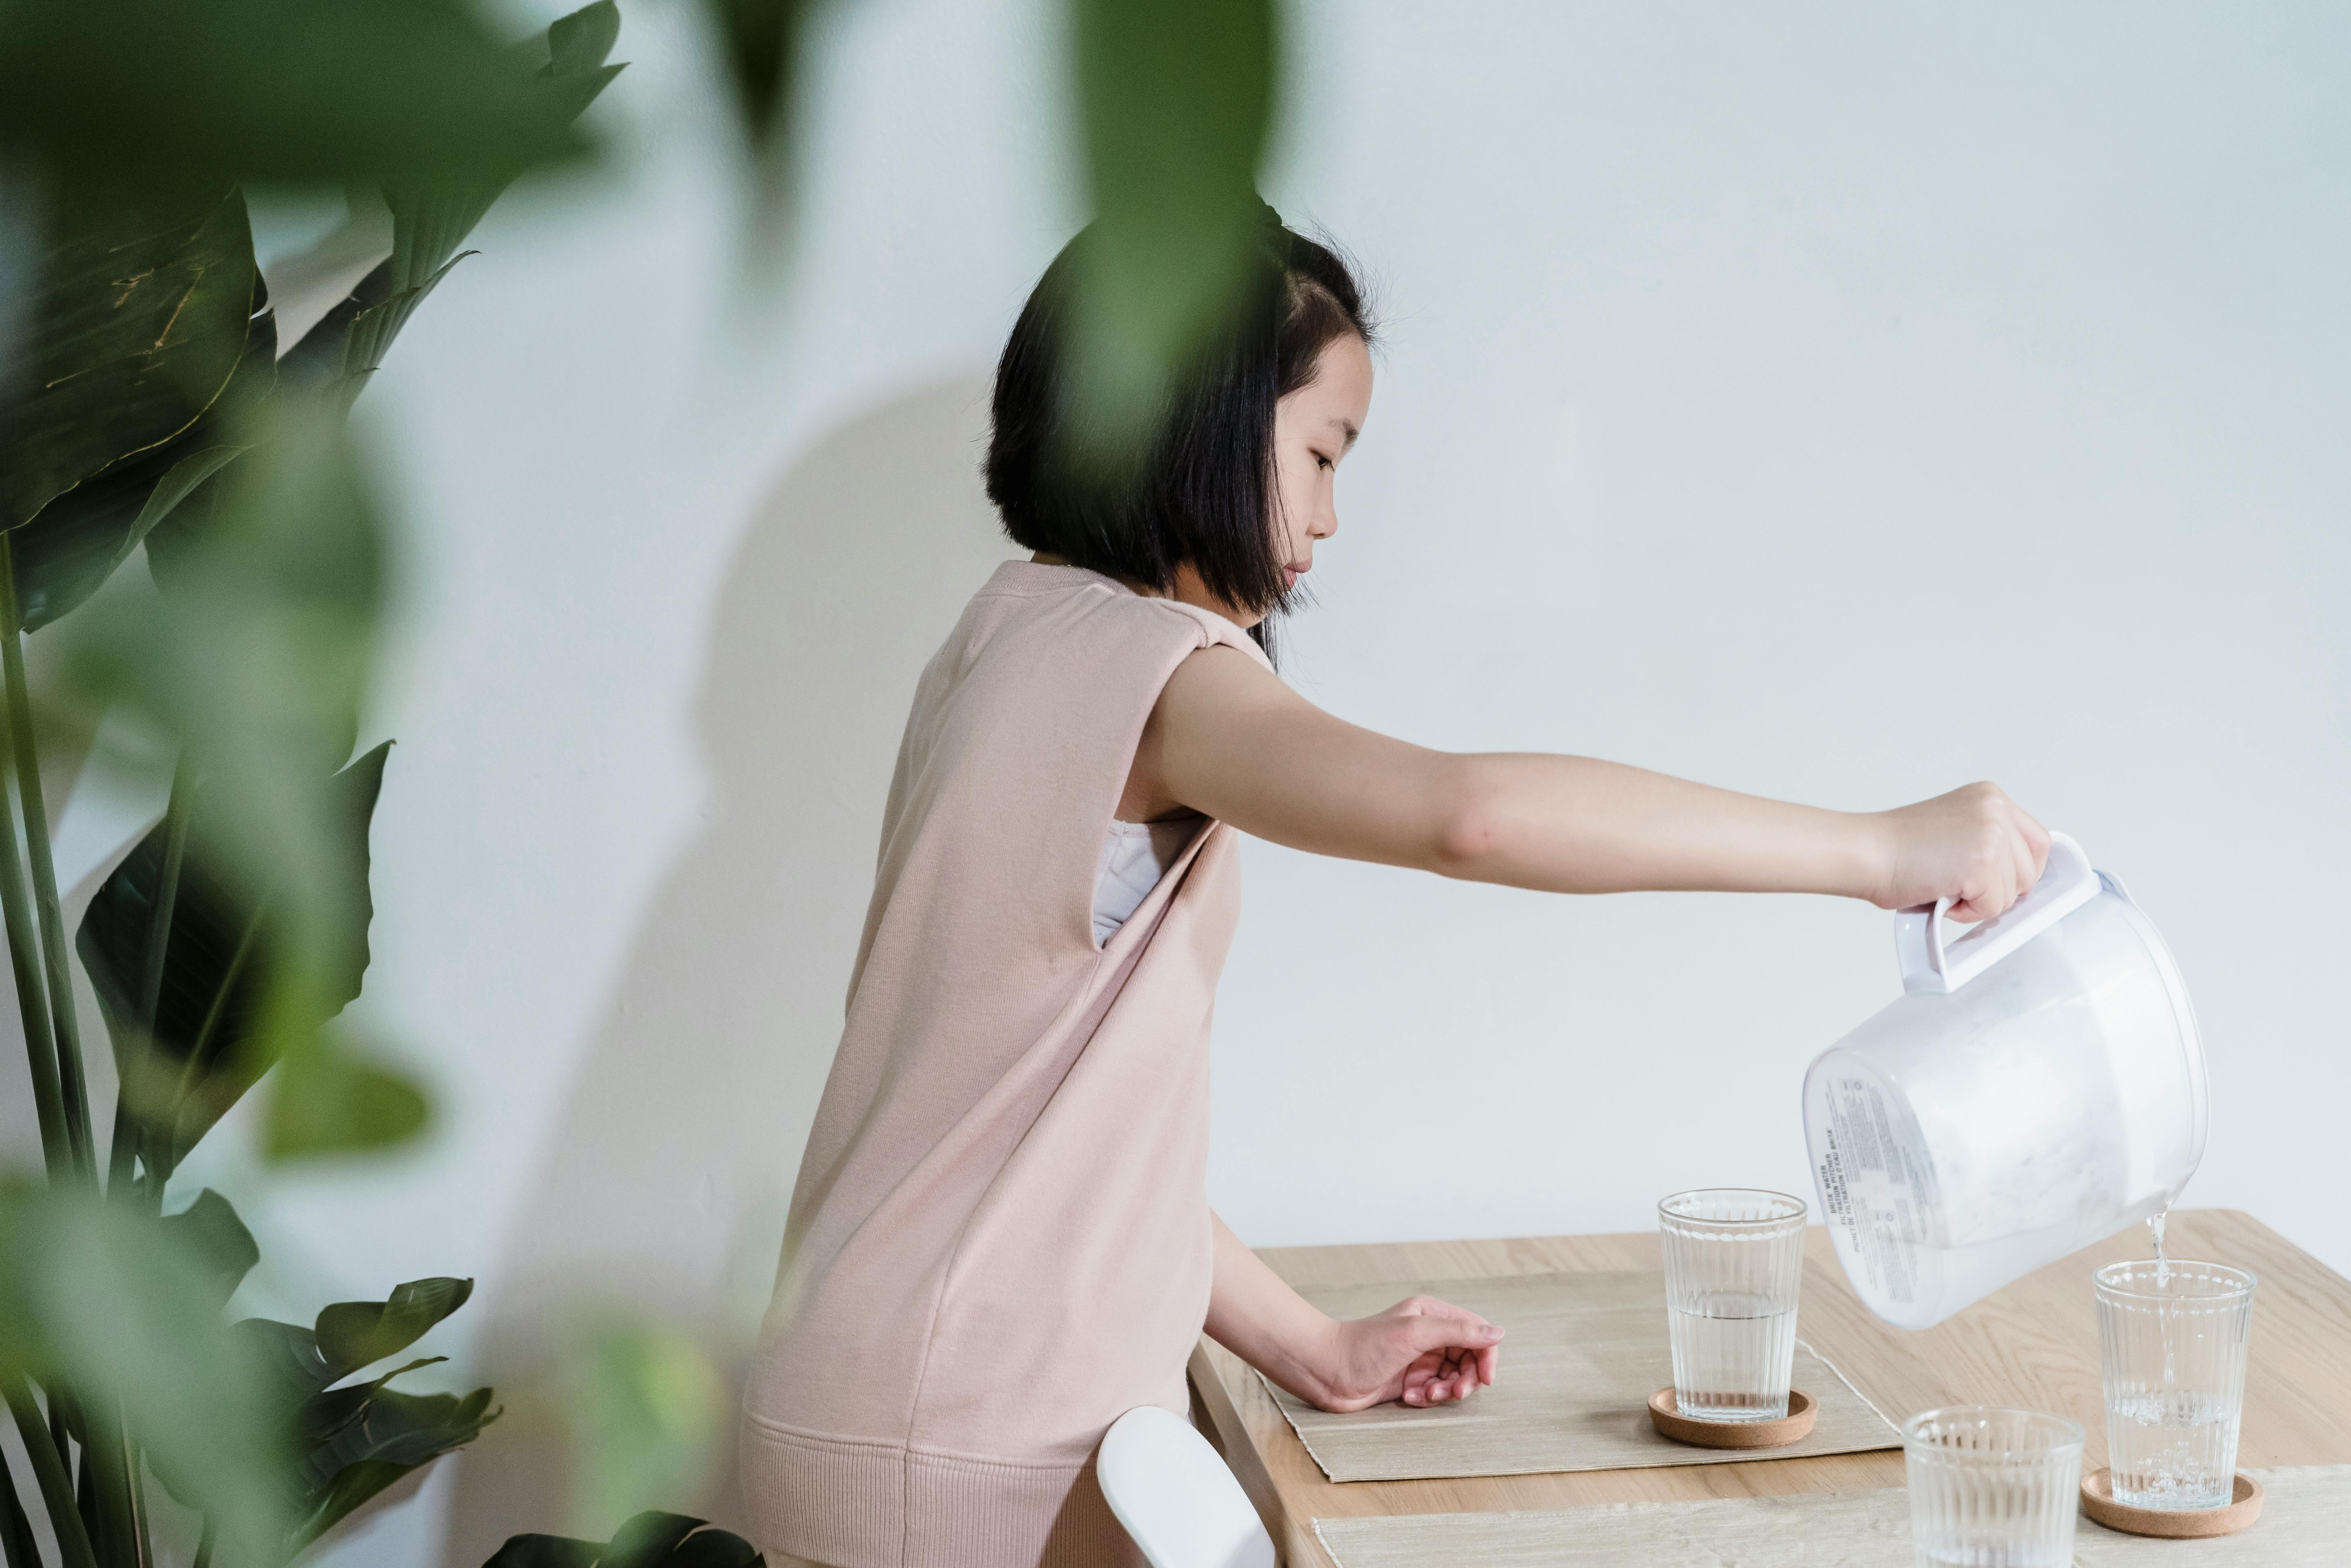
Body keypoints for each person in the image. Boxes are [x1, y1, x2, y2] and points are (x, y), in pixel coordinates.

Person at [740, 205, 2049, 1568]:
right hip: (973, 1439)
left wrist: (1309, 1342)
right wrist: (1879, 852)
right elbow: (1468, 817)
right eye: (1320, 452)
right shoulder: (1159, 673)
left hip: (882, 1392)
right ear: (1195, 416)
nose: (1328, 515)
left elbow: (1037, 1128)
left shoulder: (1001, 642)